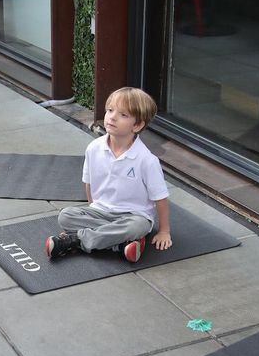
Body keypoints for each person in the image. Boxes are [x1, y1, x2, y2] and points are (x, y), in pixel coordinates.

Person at [45, 87, 171, 264]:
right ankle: (119, 245)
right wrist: (92, 208)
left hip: (133, 216)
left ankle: (77, 240)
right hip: (100, 212)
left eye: (123, 115)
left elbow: (161, 198)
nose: (112, 117)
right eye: (110, 110)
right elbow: (89, 183)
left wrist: (164, 231)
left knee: (137, 226)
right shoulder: (94, 148)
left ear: (138, 125)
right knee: (65, 216)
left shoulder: (147, 160)